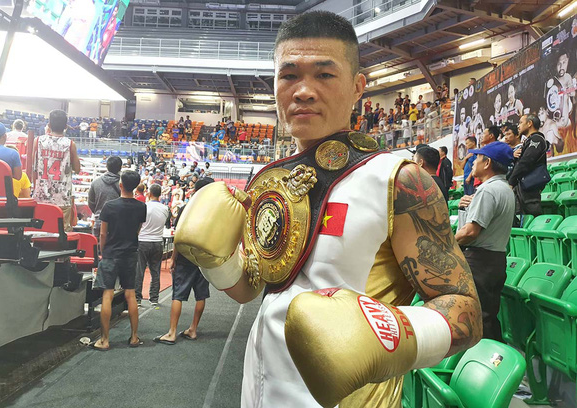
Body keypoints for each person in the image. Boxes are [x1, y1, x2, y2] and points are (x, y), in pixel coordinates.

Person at [174, 11, 481, 408]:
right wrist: (216, 261)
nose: (303, 91)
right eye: (289, 75)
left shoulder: (399, 181)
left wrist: (391, 333)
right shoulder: (271, 182)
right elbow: (251, 288)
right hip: (259, 392)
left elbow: (466, 309)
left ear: (357, 88)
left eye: (324, 74)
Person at [455, 141, 515, 342]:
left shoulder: (487, 191)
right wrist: (465, 208)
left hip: (479, 261)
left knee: (477, 317)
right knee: (488, 315)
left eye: (477, 158)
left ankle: (486, 357)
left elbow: (470, 232)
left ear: (487, 163)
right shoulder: (504, 188)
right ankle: (496, 356)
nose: (473, 162)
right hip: (495, 260)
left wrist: (448, 243)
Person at [90, 170, 147, 351]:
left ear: (120, 185)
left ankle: (105, 340)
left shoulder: (109, 206)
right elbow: (137, 229)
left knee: (107, 294)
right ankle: (134, 337)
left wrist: (103, 251)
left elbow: (103, 233)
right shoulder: (141, 207)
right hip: (130, 253)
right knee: (130, 294)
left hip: (111, 254)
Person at [154, 178, 214, 345]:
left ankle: (172, 332)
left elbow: (179, 236)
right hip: (204, 257)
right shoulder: (214, 211)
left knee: (178, 295)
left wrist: (173, 258)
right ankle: (193, 329)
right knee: (201, 294)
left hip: (186, 256)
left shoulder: (186, 209)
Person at [32, 110, 81, 232]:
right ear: (66, 126)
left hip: (41, 195)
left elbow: (34, 166)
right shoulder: (70, 144)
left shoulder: (38, 141)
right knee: (63, 233)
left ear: (49, 125)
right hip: (62, 196)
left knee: (41, 231)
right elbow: (77, 169)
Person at [135, 183, 170, 308]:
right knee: (155, 272)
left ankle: (137, 298)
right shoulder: (165, 208)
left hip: (143, 241)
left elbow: (138, 224)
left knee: (139, 271)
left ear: (149, 193)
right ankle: (154, 298)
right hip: (158, 242)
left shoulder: (144, 206)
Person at [508, 114, 549, 216]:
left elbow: (525, 162)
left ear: (529, 123)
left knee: (531, 216)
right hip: (522, 187)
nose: (518, 126)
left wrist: (511, 182)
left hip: (530, 188)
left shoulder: (536, 140)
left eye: (521, 122)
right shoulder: (529, 141)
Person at [89, 156, 122, 239]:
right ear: (120, 167)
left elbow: (91, 203)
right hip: (118, 224)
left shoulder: (95, 183)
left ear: (107, 166)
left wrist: (98, 212)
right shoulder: (123, 184)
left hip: (99, 221)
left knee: (98, 246)